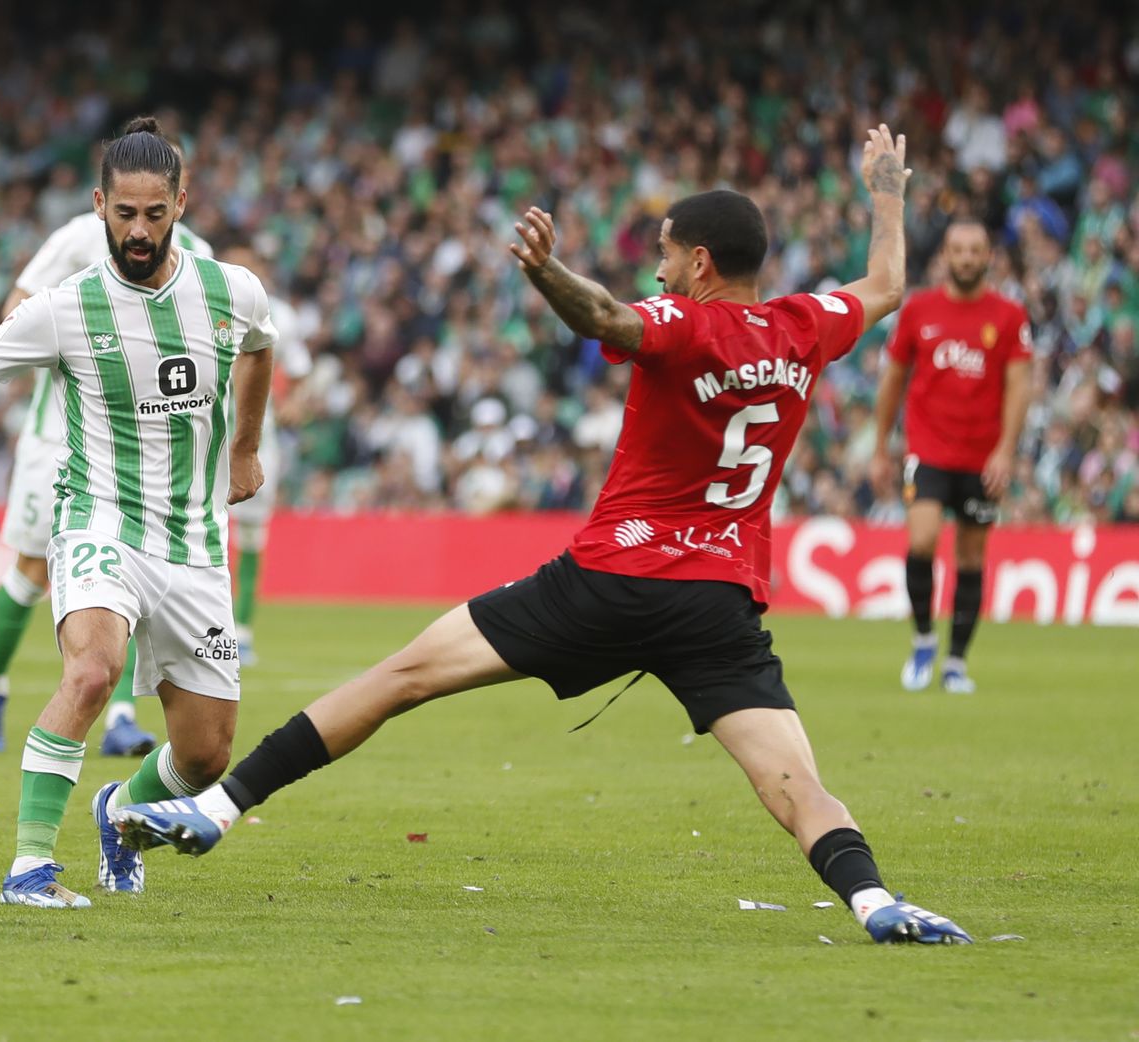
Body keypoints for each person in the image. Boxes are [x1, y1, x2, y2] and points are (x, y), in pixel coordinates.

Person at [116, 126, 973, 945]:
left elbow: (606, 318)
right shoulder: (806, 325)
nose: (661, 266)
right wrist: (888, 194)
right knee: (794, 783)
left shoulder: (685, 325)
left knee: (401, 676)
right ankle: (873, 900)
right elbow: (888, 284)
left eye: (668, 252)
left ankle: (217, 808)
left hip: (613, 578)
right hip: (717, 601)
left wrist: (546, 269)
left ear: (701, 262)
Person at [0, 117, 276, 908]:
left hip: (195, 545)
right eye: (124, 213)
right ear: (100, 205)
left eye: (154, 214)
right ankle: (30, 867)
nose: (138, 230)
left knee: (206, 759)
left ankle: (120, 808)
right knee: (92, 672)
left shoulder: (230, 290)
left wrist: (243, 450)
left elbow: (262, 349)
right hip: (98, 522)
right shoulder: (68, 307)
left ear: (181, 205)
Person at [0, 140, 214, 757]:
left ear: (178, 194)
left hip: (144, 449)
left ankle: (121, 716)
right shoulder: (80, 238)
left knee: (135, 571)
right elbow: (14, 309)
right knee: (31, 568)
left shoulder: (198, 258)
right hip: (58, 436)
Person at [871, 219, 1031, 695]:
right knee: (921, 540)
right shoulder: (919, 311)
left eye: (975, 250)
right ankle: (923, 640)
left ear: (988, 257)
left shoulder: (1008, 316)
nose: (966, 258)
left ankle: (956, 661)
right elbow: (892, 380)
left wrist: (1005, 450)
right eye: (958, 250)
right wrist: (881, 446)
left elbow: (1020, 387)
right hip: (929, 450)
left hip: (983, 458)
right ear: (945, 255)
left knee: (971, 556)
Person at [218, 245, 312, 667]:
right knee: (208, 529)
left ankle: (244, 631)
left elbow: (298, 369)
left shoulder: (280, 315)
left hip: (258, 434)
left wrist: (296, 401)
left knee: (253, 533)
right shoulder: (202, 302)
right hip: (206, 432)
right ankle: (209, 628)